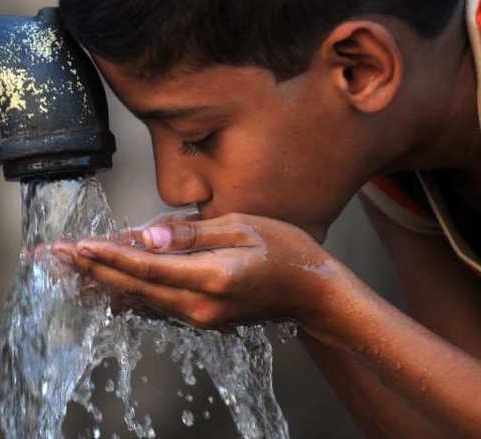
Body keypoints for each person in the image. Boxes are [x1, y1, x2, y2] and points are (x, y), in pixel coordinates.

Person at [52, 1, 481, 436]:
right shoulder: (393, 152)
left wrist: (322, 299)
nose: (175, 189)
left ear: (361, 69)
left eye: (199, 136)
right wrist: (288, 301)